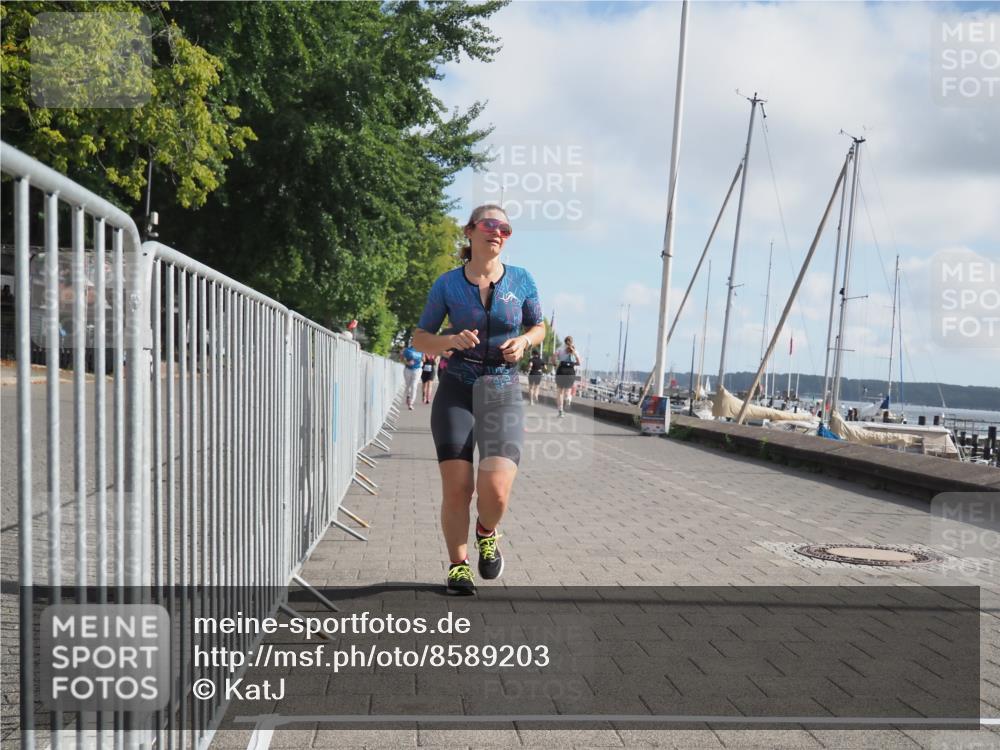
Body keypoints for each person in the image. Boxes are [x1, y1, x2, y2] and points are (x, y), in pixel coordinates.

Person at [412, 204, 544, 595]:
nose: (498, 232)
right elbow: (420, 338)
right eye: (490, 224)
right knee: (457, 489)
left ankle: (487, 531)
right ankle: (458, 566)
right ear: (470, 232)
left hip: (502, 391)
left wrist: (523, 341)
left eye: (505, 227)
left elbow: (538, 326)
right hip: (457, 389)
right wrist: (449, 340)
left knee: (497, 491)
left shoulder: (521, 280)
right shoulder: (448, 284)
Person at [553, 335, 581, 417]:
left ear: (564, 341)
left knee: (560, 392)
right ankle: (568, 398)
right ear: (572, 341)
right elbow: (579, 363)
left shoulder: (560, 349)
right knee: (568, 390)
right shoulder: (575, 350)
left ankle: (561, 411)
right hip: (570, 371)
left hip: (561, 369)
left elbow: (553, 357)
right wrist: (573, 363)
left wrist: (555, 364)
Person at [401, 342, 423, 409]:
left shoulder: (421, 350)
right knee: (408, 385)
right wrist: (407, 362)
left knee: (414, 385)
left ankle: (411, 402)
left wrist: (421, 362)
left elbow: (423, 359)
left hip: (417, 369)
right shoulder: (407, 350)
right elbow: (402, 359)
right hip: (408, 369)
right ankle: (408, 396)